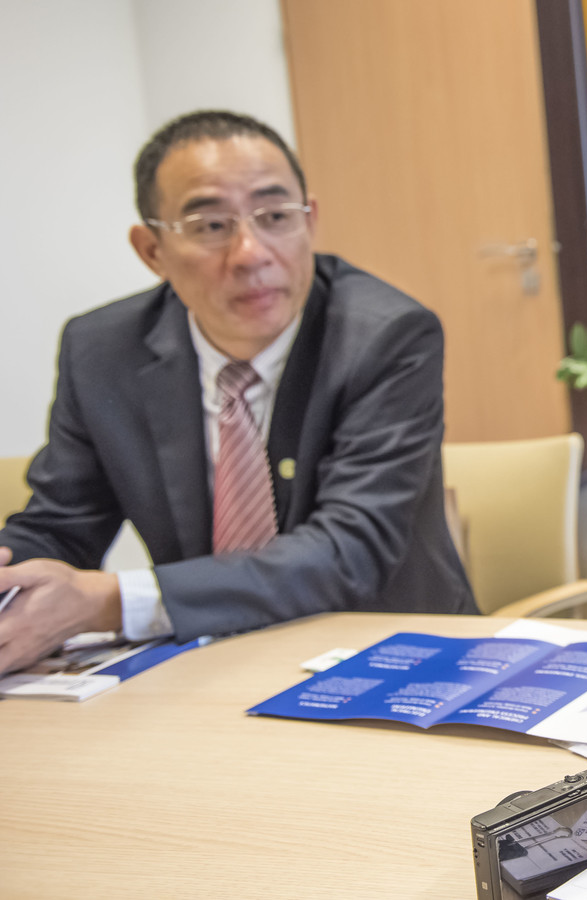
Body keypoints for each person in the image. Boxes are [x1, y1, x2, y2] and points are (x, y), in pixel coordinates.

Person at [0, 110, 477, 674]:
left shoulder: (386, 336)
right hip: (207, 662)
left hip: (388, 653)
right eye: (211, 226)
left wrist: (110, 602)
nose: (251, 253)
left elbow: (351, 549)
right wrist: (13, 583)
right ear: (151, 250)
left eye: (276, 217)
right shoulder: (103, 351)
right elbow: (61, 525)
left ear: (310, 221)